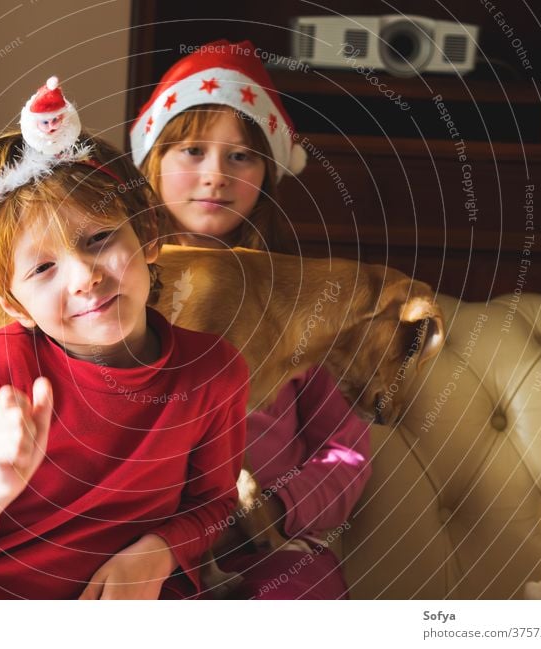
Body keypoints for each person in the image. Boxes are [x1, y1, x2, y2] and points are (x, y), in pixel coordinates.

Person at [0, 76, 248, 600]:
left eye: (99, 238)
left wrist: (160, 550)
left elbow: (211, 505)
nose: (84, 277)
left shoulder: (212, 373)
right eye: (43, 267)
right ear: (13, 304)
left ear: (148, 234)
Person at [131, 40, 371, 599]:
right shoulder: (111, 292)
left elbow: (347, 448)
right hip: (143, 542)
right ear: (152, 163)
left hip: (267, 549)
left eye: (240, 156)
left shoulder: (302, 303)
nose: (215, 175)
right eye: (192, 151)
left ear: (267, 172)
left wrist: (277, 511)